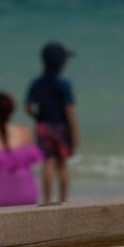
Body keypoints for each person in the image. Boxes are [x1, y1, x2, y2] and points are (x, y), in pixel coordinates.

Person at [25, 41, 79, 204]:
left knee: (47, 162)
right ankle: (64, 200)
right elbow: (69, 111)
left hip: (44, 126)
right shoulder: (64, 84)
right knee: (62, 164)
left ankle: (47, 200)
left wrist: (37, 118)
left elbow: (27, 107)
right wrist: (74, 133)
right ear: (62, 63)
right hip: (61, 127)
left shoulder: (36, 83)